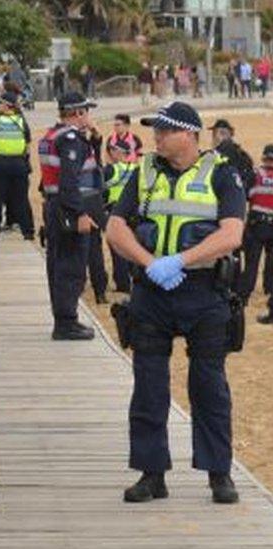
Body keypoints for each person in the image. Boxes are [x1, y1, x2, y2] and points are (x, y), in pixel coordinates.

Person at [105, 101, 245, 505]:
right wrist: (152, 264)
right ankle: (152, 475)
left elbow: (232, 234)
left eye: (165, 130)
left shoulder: (222, 173)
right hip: (153, 291)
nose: (157, 137)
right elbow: (115, 228)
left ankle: (219, 473)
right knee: (148, 386)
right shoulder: (143, 171)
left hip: (204, 292)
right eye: (156, 130)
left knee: (209, 386)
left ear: (190, 134)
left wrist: (180, 261)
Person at [38, 92, 102, 340]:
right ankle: (66, 322)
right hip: (70, 208)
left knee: (57, 264)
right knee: (71, 266)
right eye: (87, 111)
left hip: (55, 206)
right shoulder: (71, 138)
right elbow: (70, 181)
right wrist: (80, 213)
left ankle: (64, 319)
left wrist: (95, 141)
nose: (89, 116)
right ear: (78, 113)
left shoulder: (51, 135)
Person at [0, 91, 32, 239]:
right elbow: (28, 143)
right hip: (19, 164)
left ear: (6, 105)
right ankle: (28, 231)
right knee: (21, 198)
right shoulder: (21, 121)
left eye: (0, 103)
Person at [238, 144, 273, 324]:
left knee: (251, 264)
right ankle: (269, 292)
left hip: (257, 224)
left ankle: (243, 299)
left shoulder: (256, 174)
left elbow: (246, 195)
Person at [102, 140, 138, 294]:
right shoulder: (137, 169)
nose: (110, 152)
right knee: (134, 247)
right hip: (135, 213)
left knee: (118, 249)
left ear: (121, 152)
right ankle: (134, 278)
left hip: (115, 212)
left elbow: (101, 191)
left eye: (113, 150)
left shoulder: (110, 169)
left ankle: (123, 283)